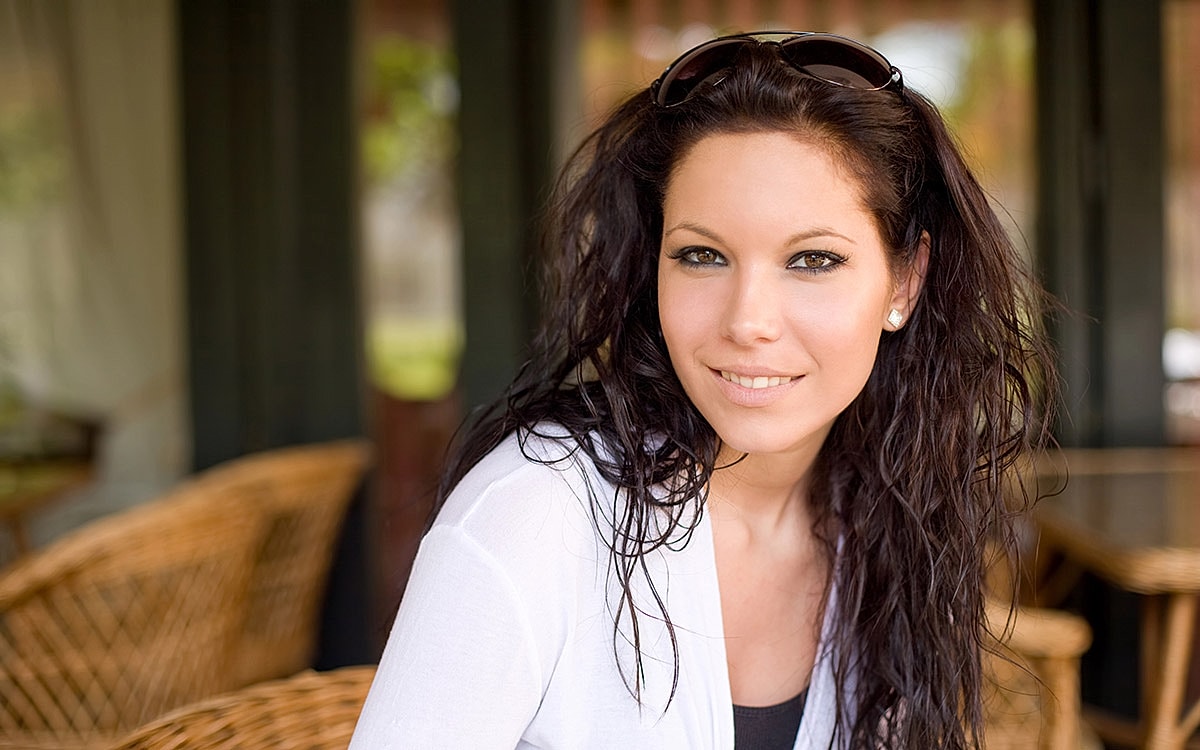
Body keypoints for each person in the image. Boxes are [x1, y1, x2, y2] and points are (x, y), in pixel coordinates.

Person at [349, 30, 1056, 749]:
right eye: (702, 255)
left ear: (904, 282)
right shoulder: (535, 516)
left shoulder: (892, 515)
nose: (747, 322)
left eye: (813, 260)